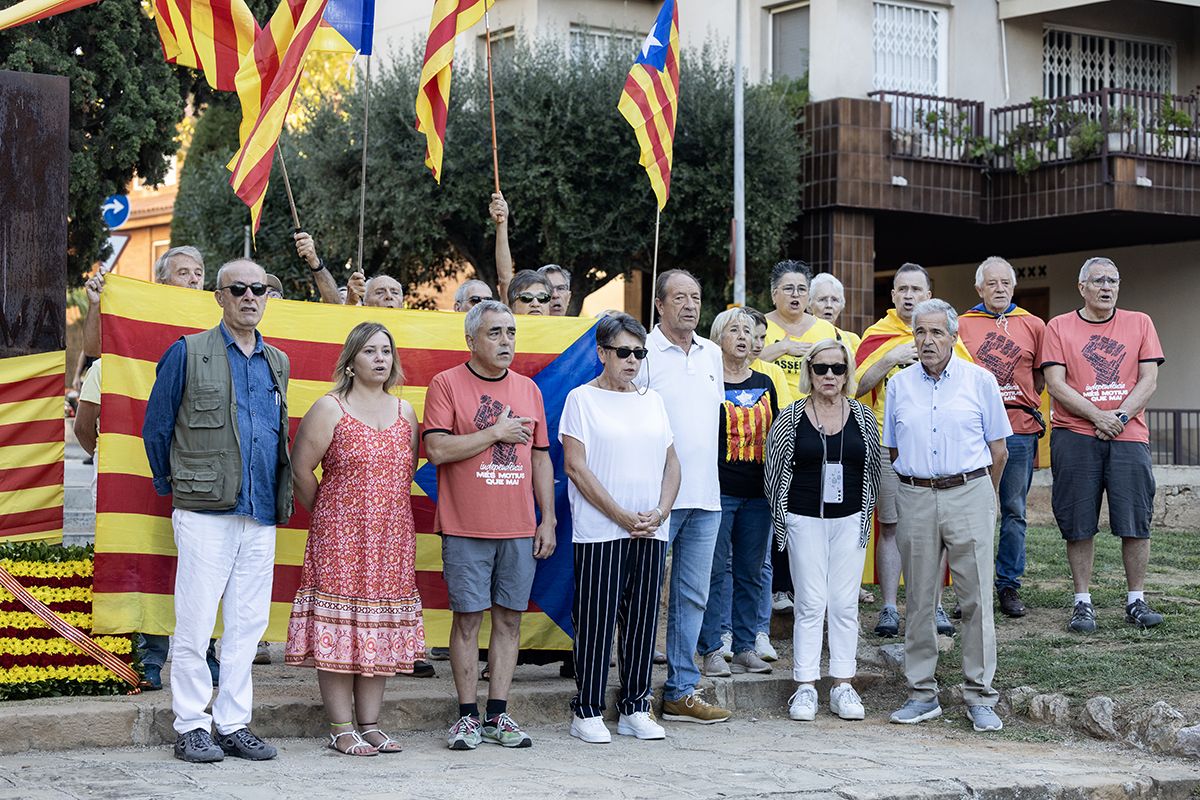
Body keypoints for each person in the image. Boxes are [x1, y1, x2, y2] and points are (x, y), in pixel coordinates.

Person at [143, 259, 292, 762]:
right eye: (239, 288)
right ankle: (190, 725)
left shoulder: (277, 361)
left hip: (260, 510)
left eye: (259, 289)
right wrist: (176, 487)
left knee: (247, 626)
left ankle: (232, 722)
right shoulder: (187, 352)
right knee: (196, 622)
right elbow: (157, 427)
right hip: (204, 511)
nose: (251, 296)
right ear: (220, 297)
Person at [80, 247, 219, 691]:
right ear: (162, 283)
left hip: (204, 468)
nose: (194, 279)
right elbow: (95, 354)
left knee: (204, 560)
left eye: (199, 272)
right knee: (150, 556)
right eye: (183, 272)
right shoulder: (130, 341)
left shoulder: (219, 330)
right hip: (145, 469)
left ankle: (206, 653)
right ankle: (151, 655)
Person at [422, 300, 556, 750]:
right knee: (466, 621)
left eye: (511, 332)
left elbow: (540, 458)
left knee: (510, 621)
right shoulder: (445, 383)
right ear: (471, 340)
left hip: (518, 526)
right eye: (495, 332)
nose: (505, 341)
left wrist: (548, 518)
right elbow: (437, 450)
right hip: (465, 525)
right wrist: (495, 433)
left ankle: (498, 714)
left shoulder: (528, 389)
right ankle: (466, 716)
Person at [286, 322, 424, 756]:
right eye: (370, 351)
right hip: (339, 541)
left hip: (392, 540)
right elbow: (300, 470)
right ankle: (341, 727)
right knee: (339, 629)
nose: (380, 358)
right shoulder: (330, 409)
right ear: (350, 361)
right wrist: (332, 514)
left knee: (376, 630)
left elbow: (405, 472)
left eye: (386, 351)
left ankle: (371, 724)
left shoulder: (405, 412)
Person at [884, 299, 1010, 733]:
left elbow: (999, 450)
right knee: (920, 598)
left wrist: (986, 495)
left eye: (937, 332)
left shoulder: (980, 380)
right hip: (916, 495)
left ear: (954, 337)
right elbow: (894, 448)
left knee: (975, 599)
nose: (928, 340)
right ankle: (921, 693)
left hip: (970, 492)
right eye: (920, 332)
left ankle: (979, 695)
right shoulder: (899, 385)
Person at [560, 313, 680, 744]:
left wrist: (661, 512)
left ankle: (636, 707)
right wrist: (620, 515)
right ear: (601, 352)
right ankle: (587, 710)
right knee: (596, 620)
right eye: (623, 352)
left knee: (644, 620)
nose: (632, 360)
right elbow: (575, 467)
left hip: (650, 529)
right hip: (600, 530)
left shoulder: (653, 401)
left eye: (639, 353)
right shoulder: (581, 399)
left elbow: (672, 463)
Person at [1041, 257, 1165, 633]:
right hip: (1075, 435)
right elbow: (1055, 384)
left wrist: (1119, 418)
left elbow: (1149, 379)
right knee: (1078, 523)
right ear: (1082, 287)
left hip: (1129, 435)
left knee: (1136, 521)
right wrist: (1098, 416)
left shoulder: (1140, 322)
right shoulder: (1058, 326)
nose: (1107, 287)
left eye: (1113, 280)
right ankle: (1082, 603)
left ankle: (1136, 600)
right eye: (1098, 281)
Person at [764, 339, 880, 722]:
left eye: (838, 368)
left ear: (847, 374)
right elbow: (773, 473)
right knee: (811, 602)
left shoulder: (863, 417)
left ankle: (843, 685)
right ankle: (805, 687)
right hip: (803, 518)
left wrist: (865, 515)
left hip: (850, 519)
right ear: (809, 372)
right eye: (821, 368)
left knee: (844, 603)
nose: (829, 375)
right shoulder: (790, 417)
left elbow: (873, 471)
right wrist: (783, 520)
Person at [635, 270, 731, 725]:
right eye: (679, 297)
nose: (690, 305)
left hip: (706, 496)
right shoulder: (642, 351)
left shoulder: (712, 353)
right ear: (659, 304)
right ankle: (635, 690)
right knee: (642, 593)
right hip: (655, 498)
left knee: (692, 595)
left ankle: (680, 691)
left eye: (696, 296)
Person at [855, 263, 971, 638]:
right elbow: (854, 386)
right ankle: (890, 607)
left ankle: (934, 605)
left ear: (928, 294)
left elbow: (967, 381)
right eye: (902, 289)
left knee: (936, 529)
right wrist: (891, 358)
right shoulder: (877, 335)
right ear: (892, 296)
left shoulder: (947, 332)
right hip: (888, 443)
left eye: (916, 289)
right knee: (890, 525)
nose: (909, 296)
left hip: (939, 446)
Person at [958, 257, 1046, 618]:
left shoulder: (1033, 324)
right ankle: (969, 589)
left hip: (1019, 430)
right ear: (979, 288)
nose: (999, 289)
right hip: (972, 432)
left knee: (1014, 509)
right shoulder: (962, 324)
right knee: (968, 511)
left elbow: (1039, 377)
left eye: (1005, 283)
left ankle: (1008, 585)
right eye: (991, 283)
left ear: (1014, 287)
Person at [698, 309, 778, 679]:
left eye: (748, 331)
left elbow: (777, 437)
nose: (743, 336)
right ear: (718, 339)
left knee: (750, 573)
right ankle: (712, 649)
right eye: (734, 329)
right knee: (715, 573)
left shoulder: (765, 382)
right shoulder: (708, 383)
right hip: (718, 492)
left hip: (758, 494)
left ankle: (745, 647)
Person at [759, 260, 839, 396]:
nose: (795, 294)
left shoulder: (825, 328)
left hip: (814, 406)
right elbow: (745, 366)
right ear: (774, 295)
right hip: (770, 404)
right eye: (788, 289)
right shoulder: (759, 326)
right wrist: (782, 348)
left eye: (802, 289)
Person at [809, 273, 862, 354]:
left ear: (842, 305)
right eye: (822, 299)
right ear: (809, 305)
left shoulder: (852, 340)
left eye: (834, 300)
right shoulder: (799, 335)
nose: (829, 305)